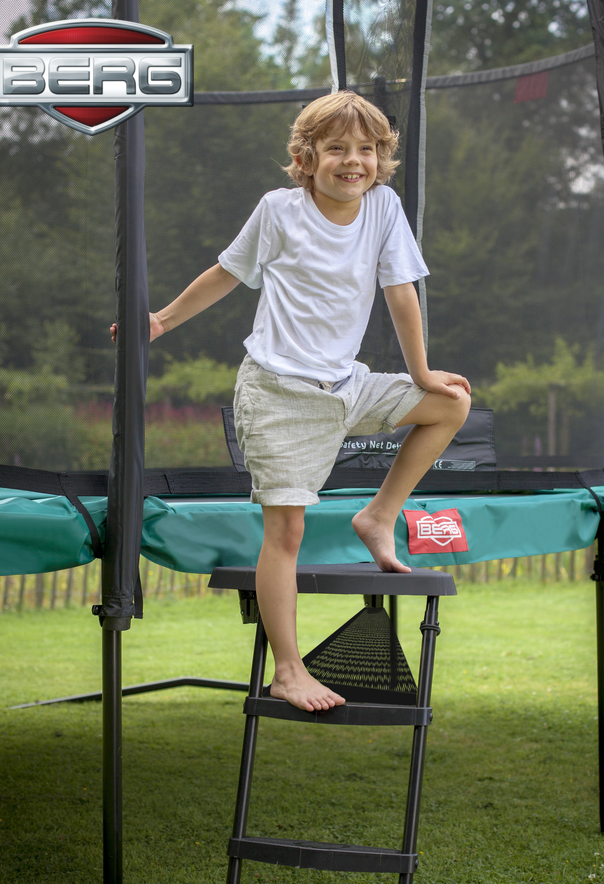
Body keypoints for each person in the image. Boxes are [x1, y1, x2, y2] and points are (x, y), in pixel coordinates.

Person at [113, 91, 471, 713]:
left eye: (366, 150)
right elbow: (227, 271)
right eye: (337, 149)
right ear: (307, 157)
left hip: (347, 385)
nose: (352, 161)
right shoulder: (279, 211)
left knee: (450, 404)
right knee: (288, 530)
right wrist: (162, 322)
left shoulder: (383, 207)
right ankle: (288, 668)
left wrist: (422, 373)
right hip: (278, 393)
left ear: (382, 159)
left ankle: (378, 516)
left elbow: (402, 294)